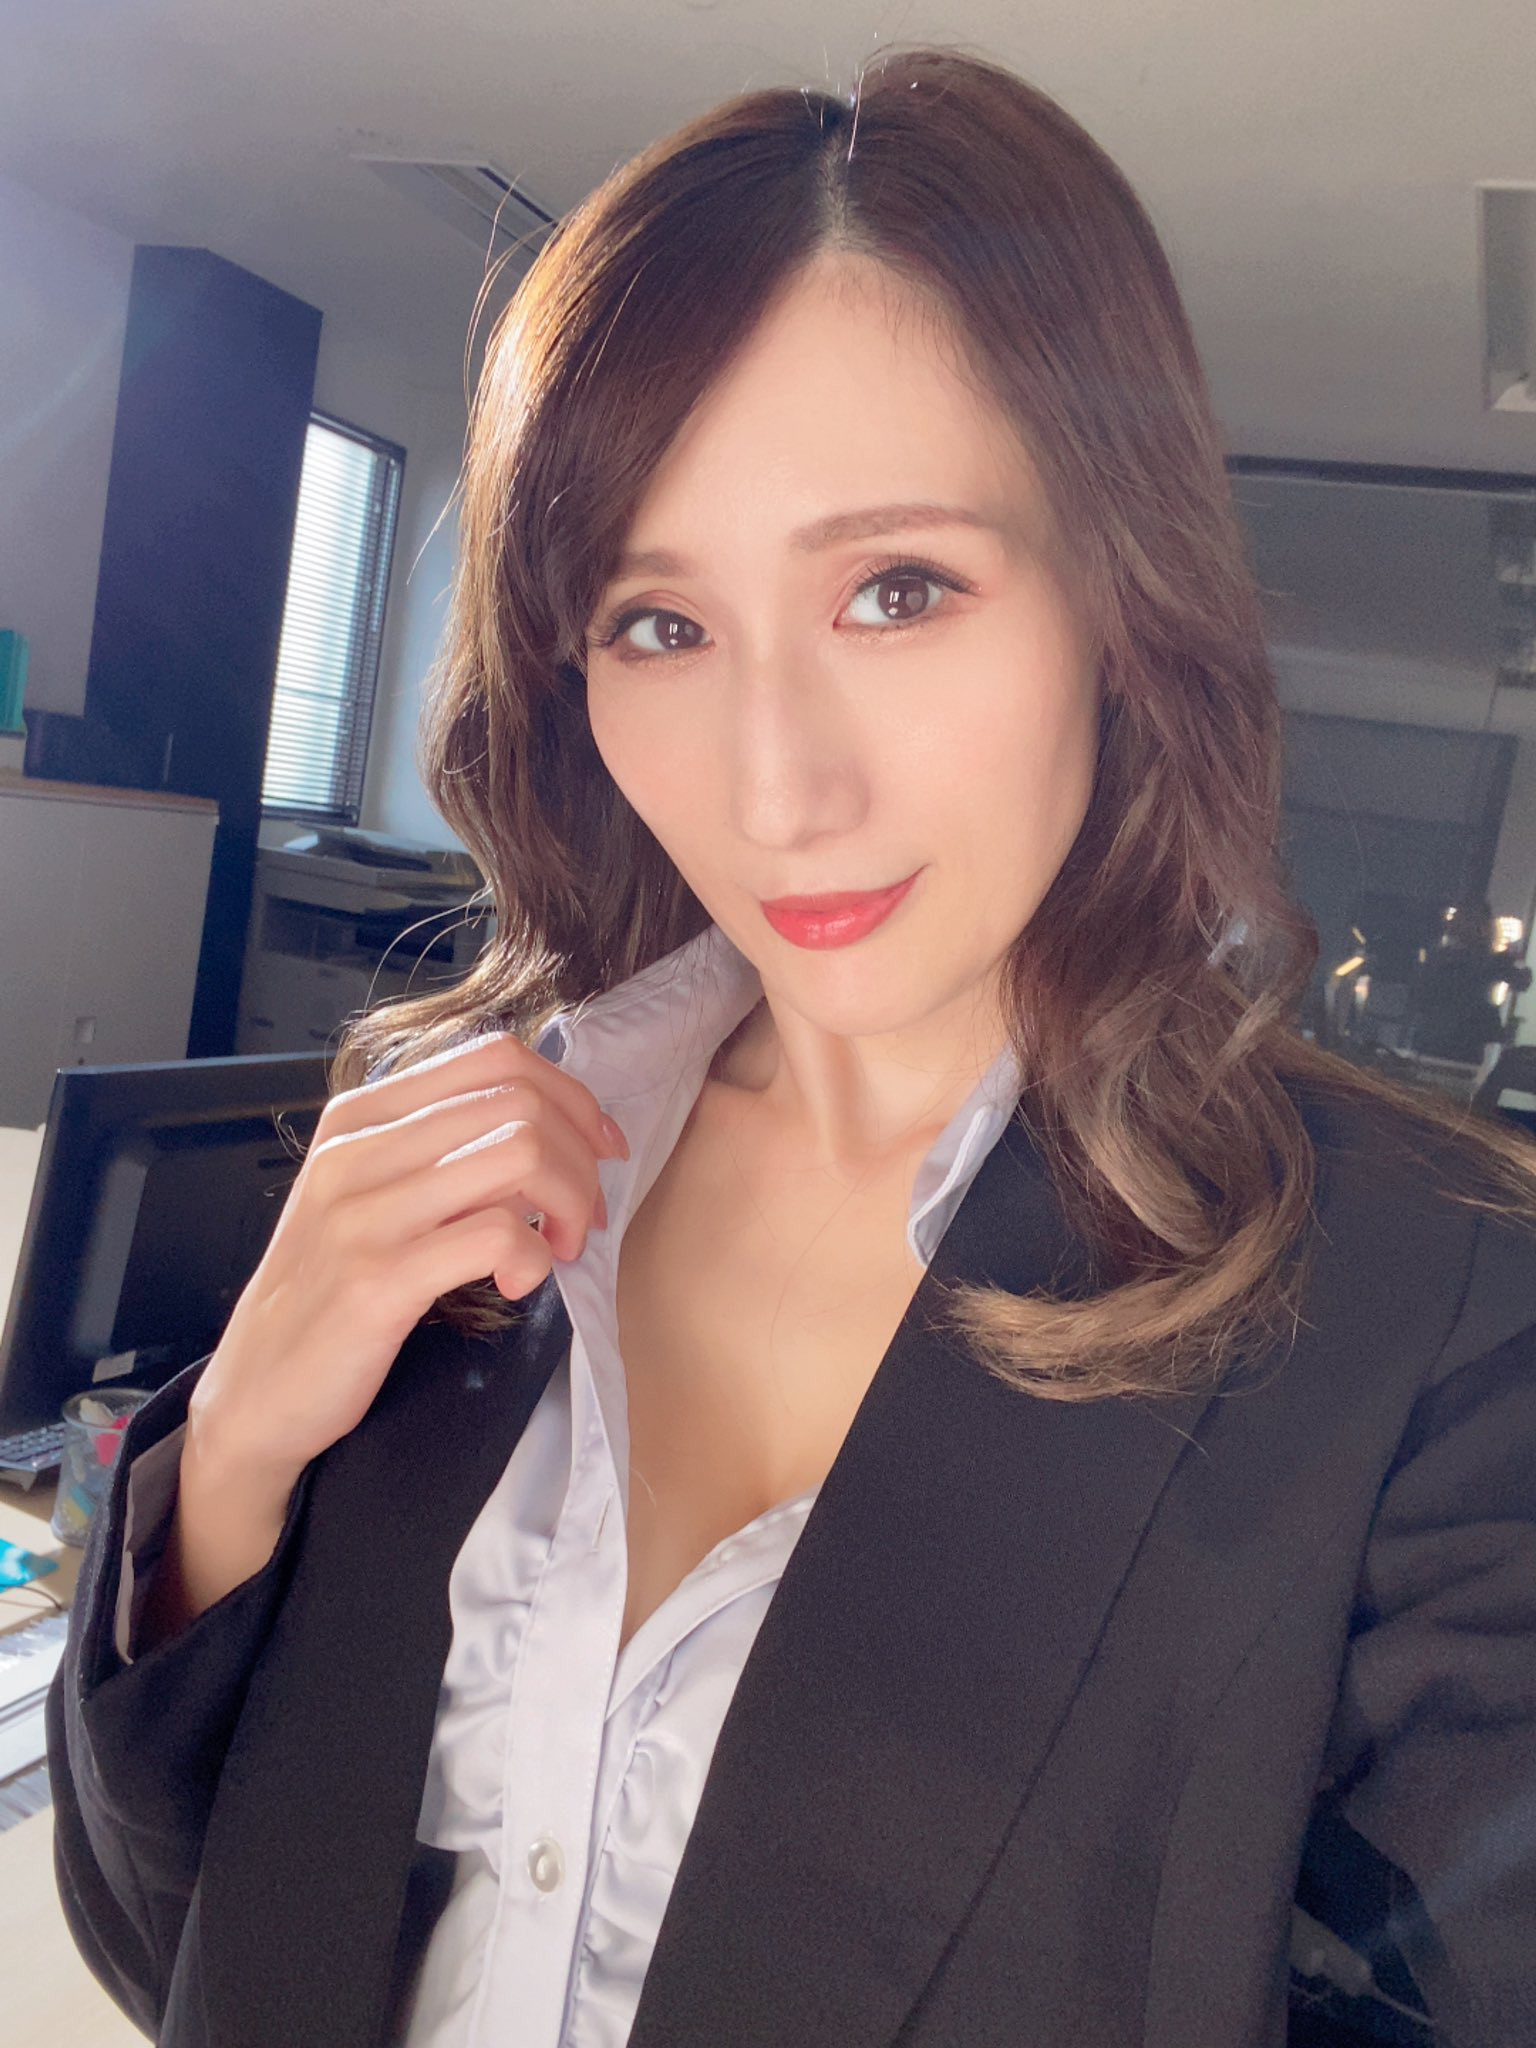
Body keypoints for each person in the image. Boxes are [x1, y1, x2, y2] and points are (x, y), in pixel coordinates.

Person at [47, 44, 1536, 2048]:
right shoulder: (471, 1150)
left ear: (1119, 594)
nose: (774, 790)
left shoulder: (1435, 1319)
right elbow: (187, 1945)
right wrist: (233, 1450)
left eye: (897, 590)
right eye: (658, 625)